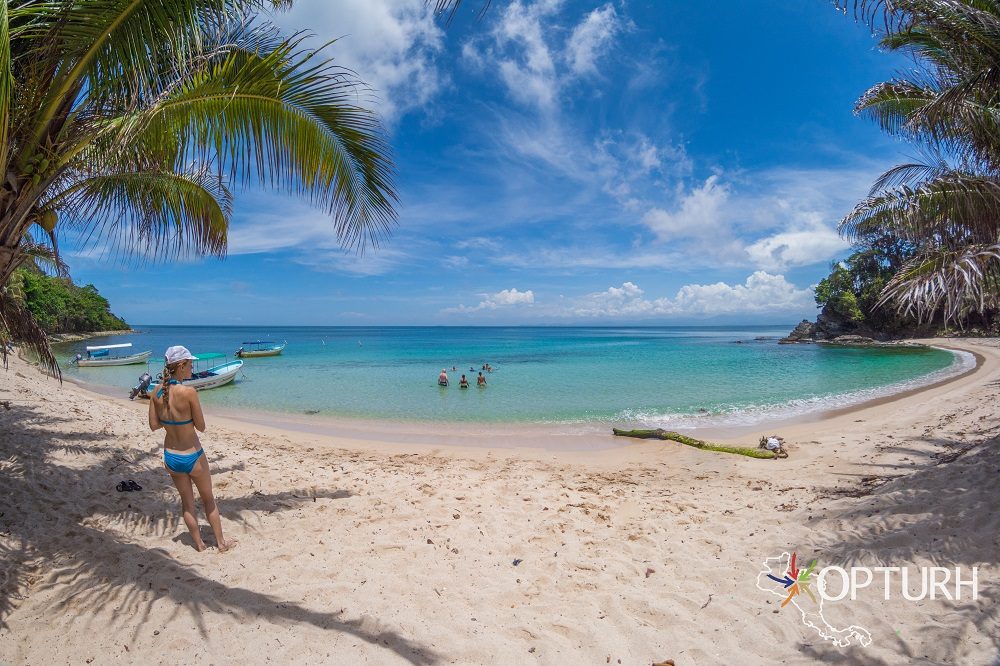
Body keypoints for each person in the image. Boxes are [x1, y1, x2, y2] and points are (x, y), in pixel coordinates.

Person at [149, 346, 236, 553]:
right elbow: (201, 426)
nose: (192, 367)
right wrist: (184, 420)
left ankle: (199, 545)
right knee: (208, 499)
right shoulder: (189, 392)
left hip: (171, 456)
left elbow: (154, 425)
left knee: (187, 503)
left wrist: (171, 421)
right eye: (190, 364)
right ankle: (221, 544)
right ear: (180, 366)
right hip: (193, 455)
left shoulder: (155, 392)